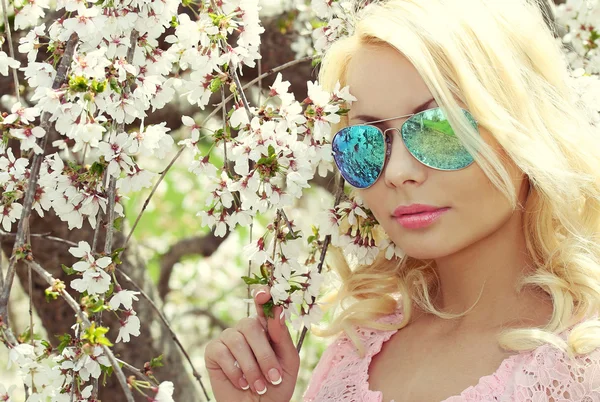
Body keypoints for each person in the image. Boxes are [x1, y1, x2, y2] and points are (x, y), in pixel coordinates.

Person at [204, 0, 600, 400]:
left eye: (437, 129)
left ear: (522, 131)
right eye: (365, 142)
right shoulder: (355, 351)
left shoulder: (586, 362)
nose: (396, 172)